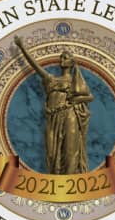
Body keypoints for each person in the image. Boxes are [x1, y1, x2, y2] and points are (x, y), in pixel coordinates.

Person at [14, 36, 94, 175]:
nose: (61, 59)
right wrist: (22, 48)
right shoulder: (51, 79)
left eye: (65, 57)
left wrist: (75, 100)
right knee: (52, 153)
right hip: (53, 117)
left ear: (72, 63)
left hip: (70, 115)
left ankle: (70, 181)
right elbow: (35, 66)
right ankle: (56, 181)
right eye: (61, 57)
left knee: (70, 151)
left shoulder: (75, 81)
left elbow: (90, 97)